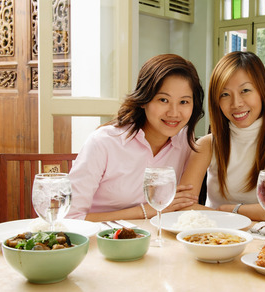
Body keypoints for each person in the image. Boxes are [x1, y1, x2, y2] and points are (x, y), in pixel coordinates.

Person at [66, 54, 203, 221]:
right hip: (101, 241)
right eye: (163, 100)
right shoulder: (103, 142)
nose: (174, 113)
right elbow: (70, 218)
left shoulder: (185, 141)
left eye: (184, 102)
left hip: (157, 242)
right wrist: (145, 211)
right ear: (143, 100)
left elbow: (182, 207)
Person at [179, 51, 265, 223]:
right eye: (225, 94)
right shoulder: (207, 145)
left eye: (245, 90)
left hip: (260, 240)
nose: (236, 103)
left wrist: (229, 209)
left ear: (262, 91)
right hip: (213, 237)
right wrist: (233, 215)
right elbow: (183, 206)